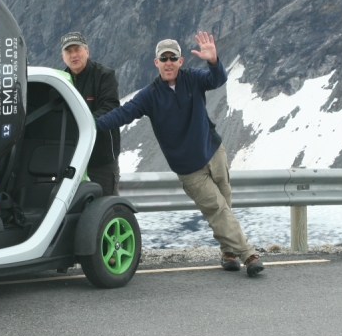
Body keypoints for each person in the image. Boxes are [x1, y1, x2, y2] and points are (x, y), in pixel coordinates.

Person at [95, 32, 264, 276]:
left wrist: (213, 61)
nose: (168, 62)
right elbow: (121, 114)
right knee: (217, 208)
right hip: (189, 170)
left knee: (224, 204)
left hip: (214, 152)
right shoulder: (149, 95)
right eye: (163, 58)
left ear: (180, 61)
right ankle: (249, 255)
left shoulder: (193, 79)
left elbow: (218, 80)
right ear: (156, 63)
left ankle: (228, 253)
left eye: (173, 57)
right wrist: (91, 124)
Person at [60, 31, 122, 196]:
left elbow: (111, 108)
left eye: (77, 49)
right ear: (63, 56)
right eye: (68, 51)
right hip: (72, 159)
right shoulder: (61, 81)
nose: (74, 55)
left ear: (87, 51)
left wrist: (80, 123)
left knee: (106, 207)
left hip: (101, 158)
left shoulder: (104, 75)